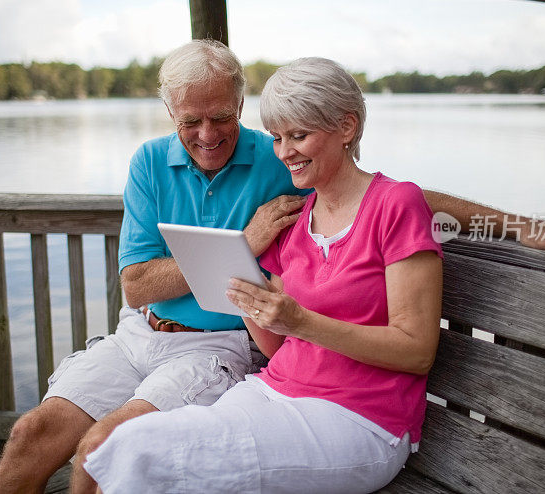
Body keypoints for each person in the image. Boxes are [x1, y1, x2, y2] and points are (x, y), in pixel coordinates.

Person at [0, 41, 545, 494]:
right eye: (191, 122)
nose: (210, 134)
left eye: (224, 119)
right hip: (234, 368)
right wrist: (254, 291)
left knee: (114, 454)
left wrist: (532, 228)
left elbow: (405, 203)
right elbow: (157, 290)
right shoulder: (273, 195)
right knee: (59, 441)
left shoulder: (307, 172)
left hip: (321, 401)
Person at [77, 56, 442, 492]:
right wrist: (247, 295)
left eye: (299, 136)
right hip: (274, 391)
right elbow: (274, 346)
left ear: (346, 128)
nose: (285, 151)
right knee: (118, 447)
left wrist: (300, 321)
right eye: (277, 137)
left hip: (360, 417)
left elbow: (416, 350)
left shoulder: (396, 204)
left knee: (141, 456)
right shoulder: (296, 216)